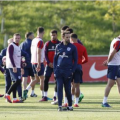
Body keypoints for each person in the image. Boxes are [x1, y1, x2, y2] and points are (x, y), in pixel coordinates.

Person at [54, 31, 78, 111]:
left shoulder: (73, 47)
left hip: (68, 71)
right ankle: (60, 106)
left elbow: (76, 60)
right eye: (67, 37)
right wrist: (55, 70)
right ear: (63, 37)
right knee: (59, 87)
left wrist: (72, 70)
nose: (68, 39)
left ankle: (70, 105)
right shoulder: (58, 46)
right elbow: (55, 59)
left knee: (67, 89)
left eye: (69, 37)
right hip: (59, 71)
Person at [23, 27, 45, 101]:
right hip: (38, 62)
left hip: (33, 62)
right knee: (42, 79)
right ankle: (44, 96)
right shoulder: (40, 41)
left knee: (36, 79)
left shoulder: (34, 40)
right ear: (43, 32)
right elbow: (38, 52)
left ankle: (26, 90)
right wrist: (39, 63)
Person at [5, 33, 27, 103]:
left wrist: (22, 67)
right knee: (18, 81)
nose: (17, 39)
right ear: (13, 39)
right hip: (12, 66)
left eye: (18, 38)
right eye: (16, 38)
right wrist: (14, 66)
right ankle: (7, 94)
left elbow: (19, 58)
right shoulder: (11, 46)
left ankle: (14, 99)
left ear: (20, 39)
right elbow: (10, 56)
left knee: (15, 81)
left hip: (17, 66)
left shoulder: (18, 47)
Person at [40, 30, 60, 101]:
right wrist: (48, 62)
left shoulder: (60, 44)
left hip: (57, 66)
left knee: (57, 80)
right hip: (49, 65)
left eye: (54, 35)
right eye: (51, 35)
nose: (53, 36)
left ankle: (55, 96)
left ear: (57, 35)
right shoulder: (47, 43)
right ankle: (45, 96)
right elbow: (45, 54)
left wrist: (56, 63)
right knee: (46, 79)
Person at [70, 33, 88, 107]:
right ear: (77, 38)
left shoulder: (70, 46)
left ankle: (70, 100)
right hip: (78, 66)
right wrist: (80, 63)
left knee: (71, 85)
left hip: (71, 67)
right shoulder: (82, 47)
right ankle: (76, 103)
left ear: (71, 39)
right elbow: (86, 59)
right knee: (77, 85)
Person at [102, 35, 120, 107]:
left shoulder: (115, 40)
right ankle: (104, 102)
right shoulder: (118, 42)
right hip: (114, 65)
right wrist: (108, 62)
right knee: (110, 84)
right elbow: (113, 52)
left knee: (119, 84)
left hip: (117, 65)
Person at [20, 32, 37, 97]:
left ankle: (24, 92)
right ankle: (32, 92)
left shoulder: (22, 44)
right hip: (32, 62)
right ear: (29, 36)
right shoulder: (32, 43)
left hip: (24, 63)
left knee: (24, 78)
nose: (33, 36)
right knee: (33, 78)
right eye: (32, 35)